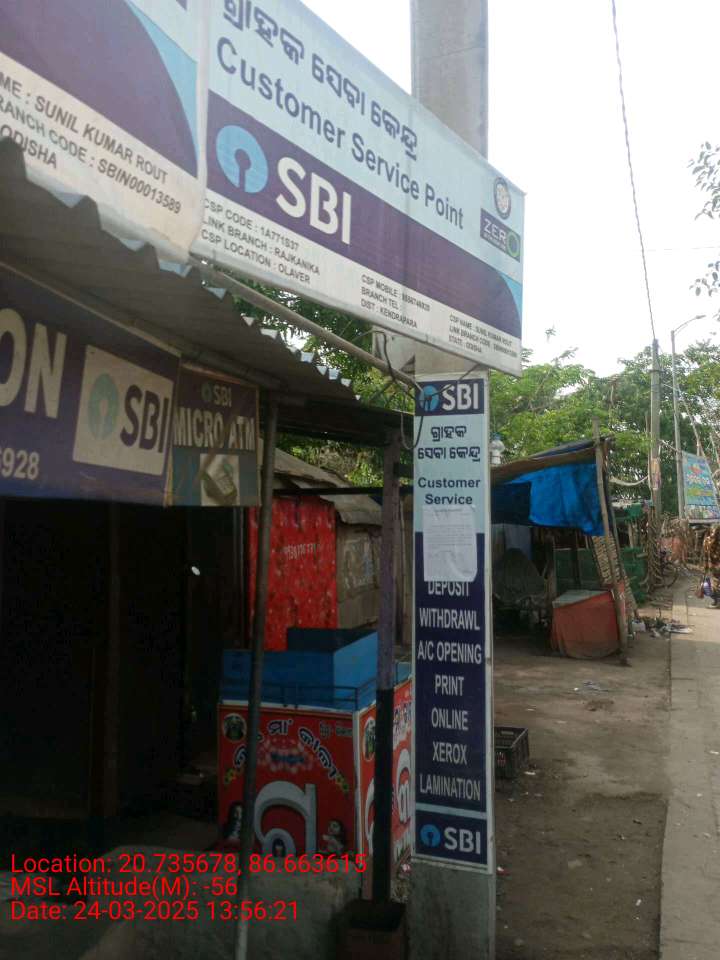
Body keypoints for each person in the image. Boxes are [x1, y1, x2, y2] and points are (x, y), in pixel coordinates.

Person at [702, 525, 720, 607]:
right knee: (715, 584)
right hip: (715, 566)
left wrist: (705, 566)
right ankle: (717, 601)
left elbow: (706, 555)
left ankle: (717, 601)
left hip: (713, 566)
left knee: (713, 584)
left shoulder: (707, 541)